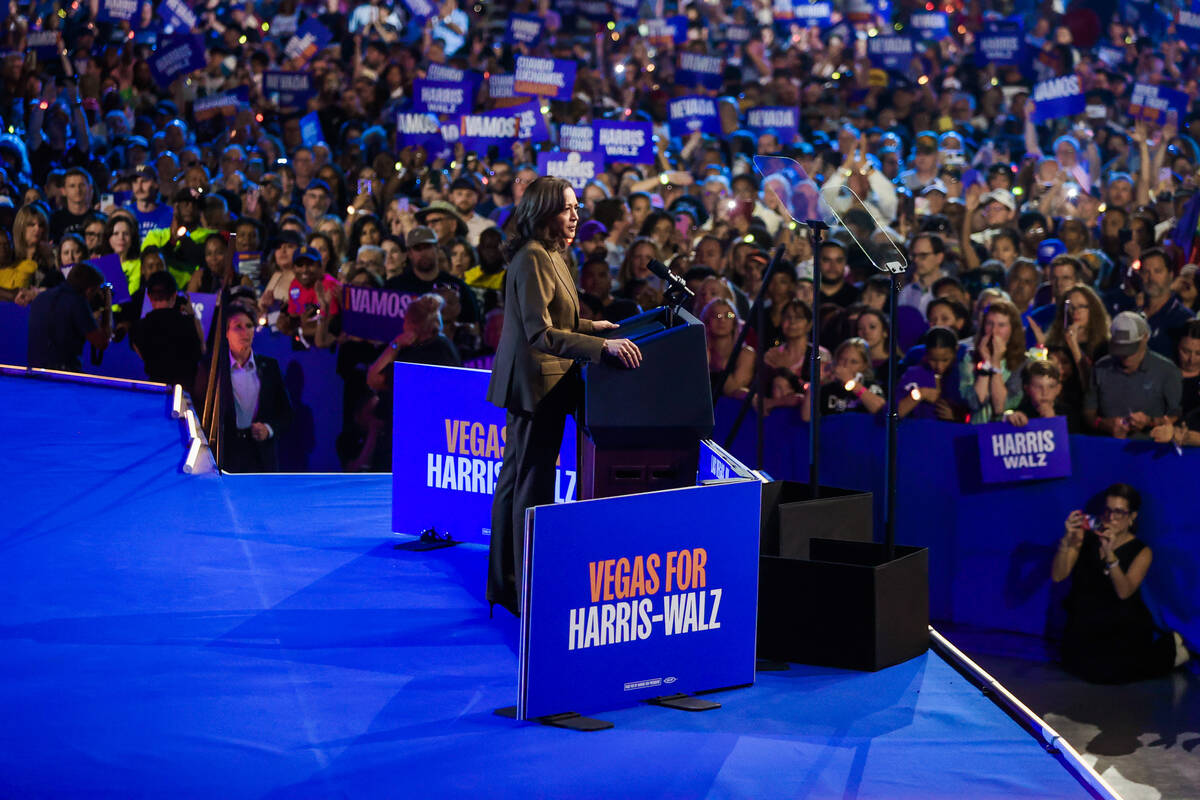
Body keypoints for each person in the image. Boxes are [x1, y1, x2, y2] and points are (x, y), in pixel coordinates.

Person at [486, 176, 641, 617]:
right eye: (567, 208)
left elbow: (561, 318)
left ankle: (505, 584)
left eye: (577, 208)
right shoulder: (533, 257)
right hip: (538, 385)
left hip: (545, 382)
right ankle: (522, 591)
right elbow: (540, 333)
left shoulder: (552, 253)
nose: (576, 216)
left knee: (516, 481)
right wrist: (601, 348)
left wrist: (595, 328)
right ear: (542, 211)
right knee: (529, 487)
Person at [1053, 484, 1190, 683]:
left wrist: (1110, 554)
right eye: (1108, 510)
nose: (1111, 517)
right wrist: (1066, 541)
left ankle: (1172, 648)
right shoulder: (1085, 538)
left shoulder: (1141, 551)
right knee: (1074, 665)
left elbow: (1124, 592)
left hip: (1120, 626)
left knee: (1109, 674)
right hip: (1085, 623)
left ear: (1132, 517)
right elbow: (1058, 575)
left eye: (1119, 512)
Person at [219, 304, 293, 474]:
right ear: (226, 333)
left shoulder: (270, 367)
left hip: (261, 456)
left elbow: (286, 413)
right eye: (238, 327)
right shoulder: (216, 370)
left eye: (249, 326)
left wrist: (269, 428)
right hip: (228, 456)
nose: (245, 331)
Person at [1084, 312, 1181, 438]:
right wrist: (1103, 424)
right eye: (1120, 348)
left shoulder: (1167, 371)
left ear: (1145, 338)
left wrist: (1150, 421)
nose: (1125, 355)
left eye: (1130, 348)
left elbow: (1176, 416)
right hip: (1109, 445)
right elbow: (1088, 412)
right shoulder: (1101, 367)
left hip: (1150, 448)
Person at [26, 260, 111, 371]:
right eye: (96, 293)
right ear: (89, 290)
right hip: (64, 375)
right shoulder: (77, 302)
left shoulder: (41, 298)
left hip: (34, 373)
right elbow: (101, 343)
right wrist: (107, 306)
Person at [130, 272, 203, 391]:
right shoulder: (187, 323)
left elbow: (141, 354)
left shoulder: (139, 327)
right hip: (184, 393)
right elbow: (201, 351)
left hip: (156, 390)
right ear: (174, 295)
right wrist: (193, 317)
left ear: (149, 296)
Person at [960, 299, 1027, 424]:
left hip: (1005, 432)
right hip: (974, 429)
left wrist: (996, 363)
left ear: (1012, 329)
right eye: (990, 324)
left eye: (1001, 325)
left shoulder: (1022, 362)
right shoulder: (969, 357)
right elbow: (974, 403)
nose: (994, 331)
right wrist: (986, 362)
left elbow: (1000, 407)